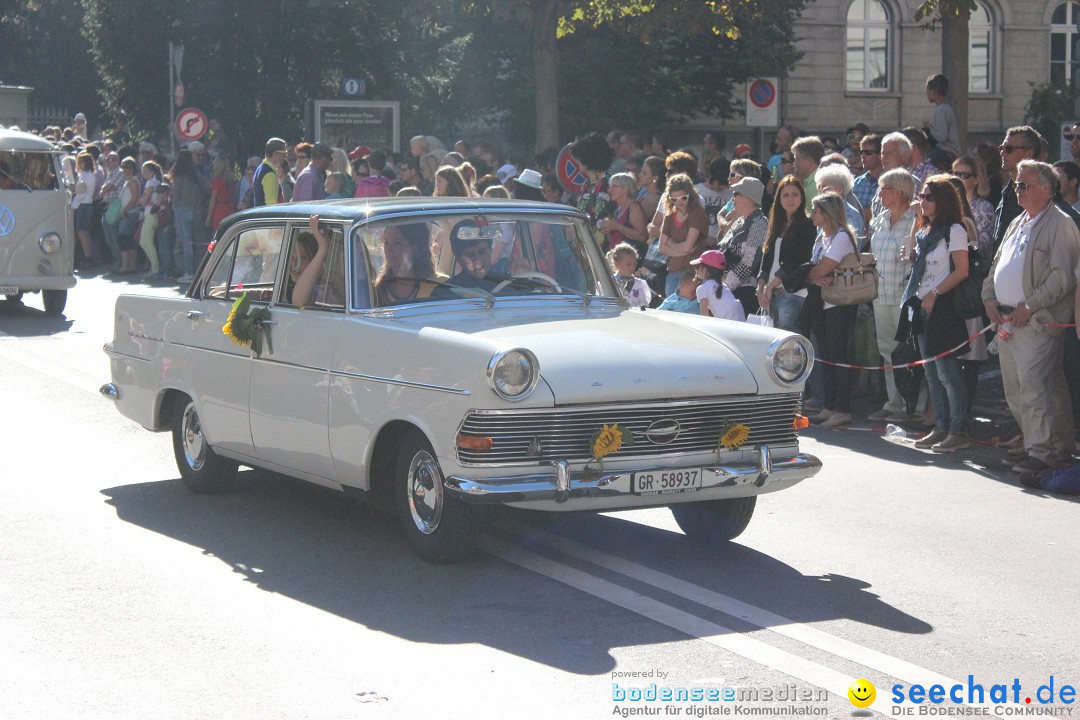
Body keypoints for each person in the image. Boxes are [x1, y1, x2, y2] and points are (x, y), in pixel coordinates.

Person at [982, 160, 1080, 475]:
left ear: (1046, 188)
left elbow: (1061, 277)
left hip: (1037, 321)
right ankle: (1042, 446)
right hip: (1008, 321)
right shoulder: (1016, 221)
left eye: (1023, 185)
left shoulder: (1061, 224)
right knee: (1016, 389)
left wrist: (1031, 305)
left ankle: (1043, 452)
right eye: (1015, 184)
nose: (1017, 189)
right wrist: (988, 297)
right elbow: (996, 266)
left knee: (1036, 386)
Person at [896, 175, 971, 452]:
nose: (922, 202)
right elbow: (917, 261)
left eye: (928, 197)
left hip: (943, 308)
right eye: (922, 196)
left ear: (943, 200)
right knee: (930, 372)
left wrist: (934, 294)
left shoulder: (955, 229)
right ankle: (939, 427)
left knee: (947, 373)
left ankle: (958, 429)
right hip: (921, 306)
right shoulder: (925, 231)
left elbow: (961, 271)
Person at [865, 169, 921, 421]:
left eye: (885, 188)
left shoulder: (916, 220)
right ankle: (893, 403)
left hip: (905, 296)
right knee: (887, 350)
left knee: (909, 351)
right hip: (881, 295)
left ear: (899, 192)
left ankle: (916, 407)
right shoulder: (878, 219)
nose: (880, 193)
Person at [805, 192, 860, 429]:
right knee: (826, 355)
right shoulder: (821, 237)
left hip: (840, 303)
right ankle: (829, 405)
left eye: (816, 211)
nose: (813, 215)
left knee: (839, 356)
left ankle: (842, 408)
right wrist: (815, 276)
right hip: (823, 303)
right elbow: (814, 272)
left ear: (827, 214)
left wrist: (815, 275)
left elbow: (821, 268)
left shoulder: (841, 237)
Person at [756, 175, 816, 331]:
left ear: (802, 198)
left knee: (787, 341)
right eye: (786, 195)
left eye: (795, 195)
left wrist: (771, 286)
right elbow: (766, 257)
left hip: (792, 291)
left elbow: (796, 260)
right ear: (779, 199)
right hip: (771, 292)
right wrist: (761, 286)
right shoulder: (776, 224)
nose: (790, 199)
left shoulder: (807, 225)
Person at [716, 176, 768, 316]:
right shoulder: (739, 222)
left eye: (736, 194)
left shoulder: (760, 224)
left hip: (744, 295)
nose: (732, 199)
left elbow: (749, 261)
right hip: (728, 292)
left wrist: (723, 289)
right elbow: (721, 248)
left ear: (748, 198)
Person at [658, 173, 709, 296]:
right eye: (674, 199)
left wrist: (671, 243)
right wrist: (683, 251)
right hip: (672, 272)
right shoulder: (670, 216)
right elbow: (661, 247)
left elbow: (687, 246)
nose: (679, 202)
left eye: (683, 198)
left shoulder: (697, 213)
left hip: (691, 273)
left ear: (690, 195)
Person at [168, 148, 210, 283]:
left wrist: (174, 210)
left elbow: (176, 197)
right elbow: (206, 188)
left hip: (182, 211)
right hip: (197, 211)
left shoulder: (178, 177)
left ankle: (188, 273)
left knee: (185, 243)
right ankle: (200, 271)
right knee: (198, 243)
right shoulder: (196, 175)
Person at [374, 222, 440, 305]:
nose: (389, 250)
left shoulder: (438, 286)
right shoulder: (377, 289)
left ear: (414, 247)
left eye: (397, 243)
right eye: (386, 242)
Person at [570, 132, 615, 228]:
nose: (576, 161)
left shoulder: (604, 183)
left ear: (588, 157)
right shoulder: (587, 183)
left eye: (578, 158)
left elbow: (600, 216)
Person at [953, 154, 995, 252]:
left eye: (963, 175)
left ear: (977, 179)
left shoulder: (984, 208)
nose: (957, 179)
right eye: (955, 174)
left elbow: (982, 250)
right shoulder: (949, 204)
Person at [599, 172, 647, 256]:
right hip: (616, 256)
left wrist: (617, 226)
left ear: (626, 188)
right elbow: (613, 239)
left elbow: (642, 236)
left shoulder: (633, 208)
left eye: (615, 186)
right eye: (610, 187)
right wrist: (608, 229)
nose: (610, 190)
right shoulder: (618, 209)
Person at [288, 215, 330, 307]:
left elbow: (298, 302)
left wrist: (323, 248)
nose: (294, 265)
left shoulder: (321, 291)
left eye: (302, 258)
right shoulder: (285, 287)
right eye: (291, 258)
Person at [691, 250, 744, 321]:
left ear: (705, 269)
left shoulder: (702, 288)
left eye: (697, 267)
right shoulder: (723, 285)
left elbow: (705, 316)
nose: (696, 270)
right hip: (739, 312)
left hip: (726, 320)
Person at [113, 157, 142, 275]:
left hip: (130, 213)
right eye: (123, 167)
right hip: (127, 212)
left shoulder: (133, 181)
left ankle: (126, 266)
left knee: (124, 239)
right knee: (128, 240)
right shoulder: (128, 181)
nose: (125, 170)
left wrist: (125, 209)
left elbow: (135, 198)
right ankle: (130, 266)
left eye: (127, 167)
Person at [71, 152, 97, 269]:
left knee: (83, 232)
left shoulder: (88, 176)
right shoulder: (82, 175)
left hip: (84, 205)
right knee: (81, 232)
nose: (79, 164)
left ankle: (88, 256)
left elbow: (81, 194)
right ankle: (86, 255)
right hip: (82, 205)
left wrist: (74, 207)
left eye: (81, 161)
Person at [608, 242, 652, 308]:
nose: (632, 267)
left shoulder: (640, 284)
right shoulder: (608, 283)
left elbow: (645, 305)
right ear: (617, 264)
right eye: (628, 264)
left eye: (634, 264)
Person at [852, 134, 882, 224]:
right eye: (861, 152)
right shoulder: (857, 182)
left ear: (880, 155)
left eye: (868, 152)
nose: (863, 156)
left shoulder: (889, 182)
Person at [792, 136, 824, 214]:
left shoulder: (815, 185)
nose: (794, 163)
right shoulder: (810, 182)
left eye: (797, 159)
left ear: (809, 161)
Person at [206, 156, 237, 234]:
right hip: (230, 208)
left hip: (219, 209)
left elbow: (213, 199)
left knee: (218, 234)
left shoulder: (217, 180)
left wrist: (208, 218)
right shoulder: (232, 180)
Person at [253, 137, 287, 207]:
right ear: (275, 154)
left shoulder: (260, 169)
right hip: (268, 217)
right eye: (284, 153)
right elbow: (272, 206)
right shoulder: (270, 175)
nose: (285, 157)